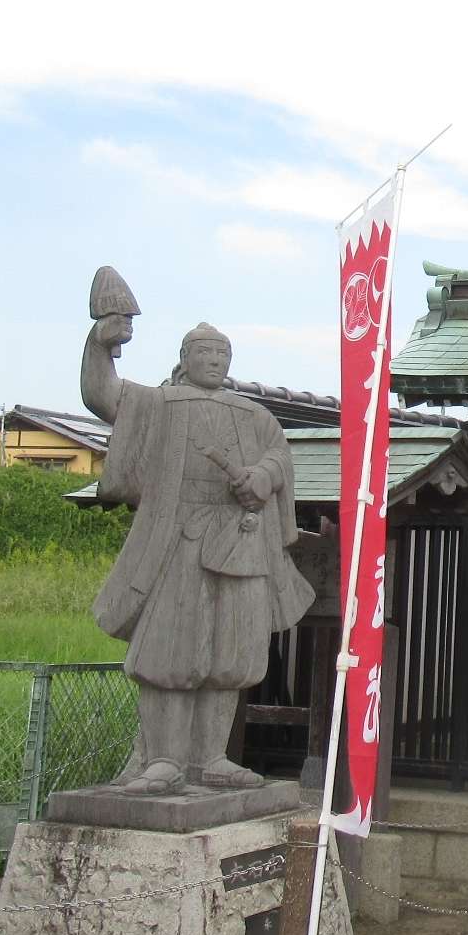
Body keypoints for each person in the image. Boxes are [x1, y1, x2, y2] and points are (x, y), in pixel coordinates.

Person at [84, 308, 316, 795]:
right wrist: (102, 344)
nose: (213, 360)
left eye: (221, 353)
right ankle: (164, 760)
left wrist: (262, 478)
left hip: (241, 542)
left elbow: (279, 455)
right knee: (170, 649)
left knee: (232, 653)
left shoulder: (254, 414)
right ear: (184, 359)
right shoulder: (160, 404)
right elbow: (103, 396)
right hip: (178, 542)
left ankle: (212, 757)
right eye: (203, 352)